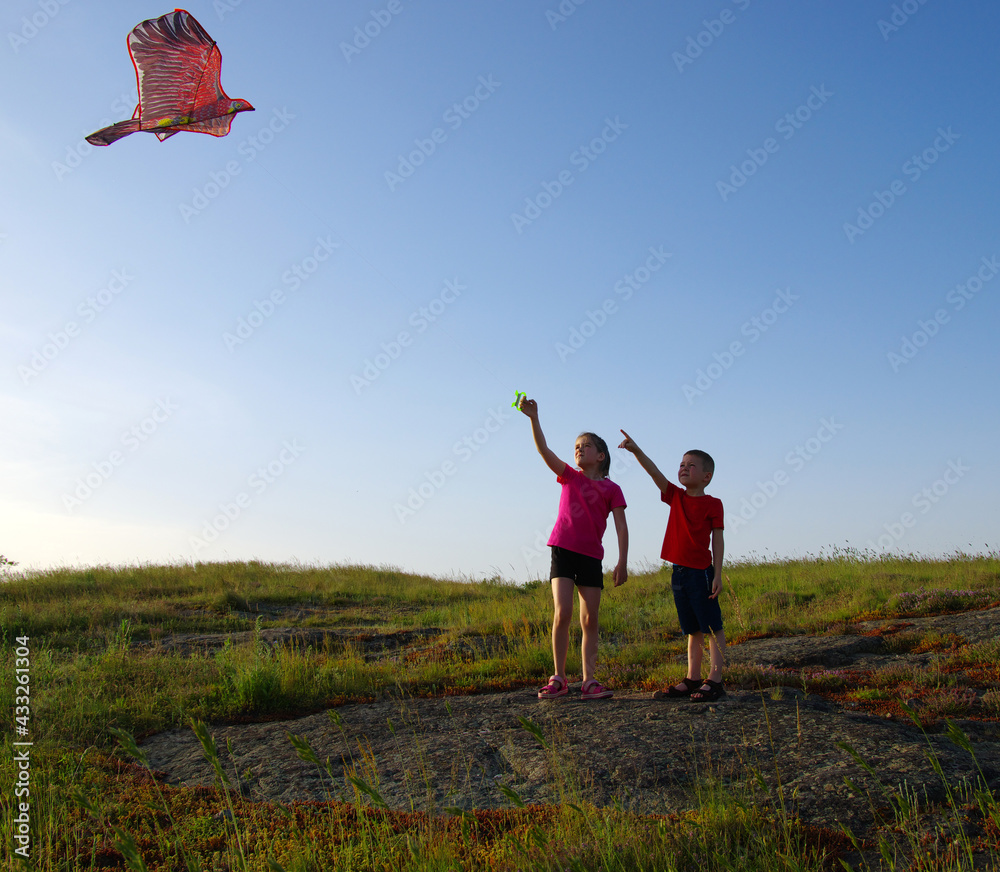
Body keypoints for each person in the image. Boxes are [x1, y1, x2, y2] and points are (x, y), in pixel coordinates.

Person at [518, 397, 628, 700]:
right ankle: (559, 678)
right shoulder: (569, 477)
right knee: (562, 612)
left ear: (601, 456)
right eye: (576, 446)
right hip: (562, 550)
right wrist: (533, 418)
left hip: (592, 556)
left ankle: (589, 680)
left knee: (590, 619)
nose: (578, 449)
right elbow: (544, 450)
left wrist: (623, 561)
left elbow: (621, 526)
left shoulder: (612, 489)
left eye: (585, 446)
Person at [618, 430, 726, 702]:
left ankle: (715, 679)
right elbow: (655, 474)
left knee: (711, 626)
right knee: (692, 629)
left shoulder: (714, 504)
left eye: (691, 465)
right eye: (681, 465)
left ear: (706, 476)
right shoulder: (676, 496)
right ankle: (692, 678)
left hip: (701, 572)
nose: (683, 468)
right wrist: (636, 451)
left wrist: (718, 574)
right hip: (678, 573)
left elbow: (718, 538)